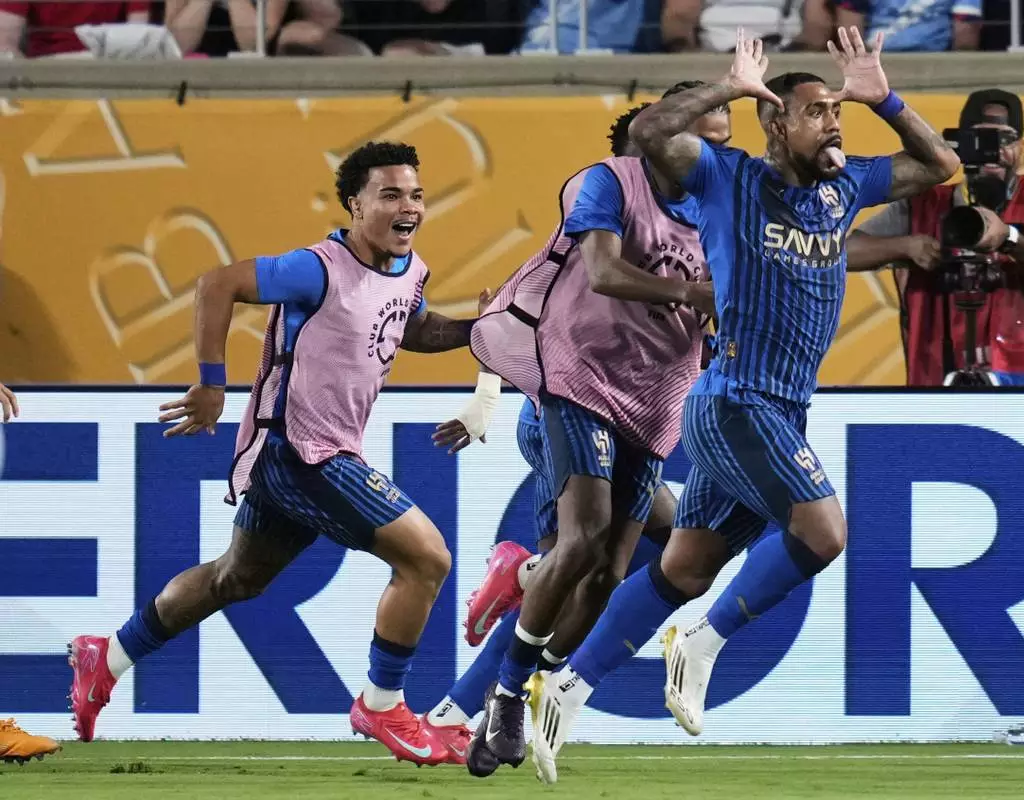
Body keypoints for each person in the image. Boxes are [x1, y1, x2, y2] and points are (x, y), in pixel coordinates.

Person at [522, 26, 961, 779]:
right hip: (734, 400)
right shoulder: (727, 177)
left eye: (837, 112)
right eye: (816, 110)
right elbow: (648, 131)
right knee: (824, 534)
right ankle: (702, 641)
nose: (832, 122)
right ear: (775, 123)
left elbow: (941, 164)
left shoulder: (845, 187)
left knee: (685, 569)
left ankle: (565, 686)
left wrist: (882, 95)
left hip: (783, 409)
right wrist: (731, 85)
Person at [67, 141, 481, 767]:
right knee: (427, 559)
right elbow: (218, 283)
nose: (409, 207)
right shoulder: (318, 267)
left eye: (416, 194)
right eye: (391, 194)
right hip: (300, 451)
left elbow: (413, 328)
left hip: (320, 450)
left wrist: (480, 330)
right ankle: (382, 703)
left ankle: (110, 655)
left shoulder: (410, 269)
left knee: (238, 577)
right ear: (355, 205)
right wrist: (211, 382)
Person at [419, 102, 712, 758]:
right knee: (581, 557)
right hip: (570, 405)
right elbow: (522, 303)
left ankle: (505, 654)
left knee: (626, 565)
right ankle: (502, 641)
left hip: (641, 414)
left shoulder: (696, 220)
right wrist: (486, 399)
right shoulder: (603, 197)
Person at [847, 88, 1024, 386]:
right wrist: (907, 246)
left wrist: (1010, 239)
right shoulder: (924, 202)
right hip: (936, 379)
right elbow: (844, 252)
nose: (994, 151)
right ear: (962, 146)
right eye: (982, 140)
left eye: (1005, 139)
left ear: (1021, 146)